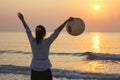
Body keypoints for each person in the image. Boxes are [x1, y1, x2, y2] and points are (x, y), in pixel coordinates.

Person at [17, 12, 73, 80]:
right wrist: (66, 21)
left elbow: (27, 30)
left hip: (34, 70)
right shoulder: (47, 42)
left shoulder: (32, 41)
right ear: (44, 34)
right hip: (45, 70)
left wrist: (22, 20)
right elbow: (57, 31)